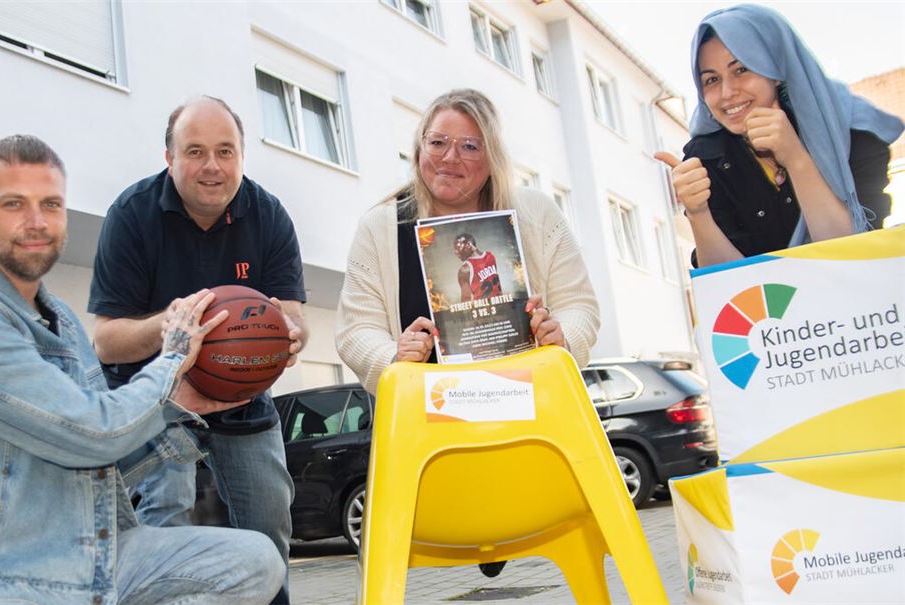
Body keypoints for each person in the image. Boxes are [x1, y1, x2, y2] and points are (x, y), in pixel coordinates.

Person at [0, 135, 285, 604]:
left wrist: (183, 405)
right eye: (14, 203)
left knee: (255, 560)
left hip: (88, 556)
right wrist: (174, 356)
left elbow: (103, 463)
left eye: (51, 204)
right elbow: (89, 433)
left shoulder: (65, 326)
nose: (37, 221)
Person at [336, 87, 599, 577]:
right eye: (437, 143)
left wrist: (561, 338)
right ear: (418, 151)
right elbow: (355, 329)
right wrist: (393, 356)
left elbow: (581, 306)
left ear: (492, 158)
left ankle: (497, 531)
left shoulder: (535, 212)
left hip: (529, 422)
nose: (450, 158)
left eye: (470, 146)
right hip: (430, 431)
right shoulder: (379, 228)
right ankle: (483, 531)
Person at [88, 96, 306, 604]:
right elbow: (105, 340)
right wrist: (178, 325)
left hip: (240, 393)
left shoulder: (268, 215)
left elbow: (292, 316)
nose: (212, 166)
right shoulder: (132, 214)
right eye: (196, 151)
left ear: (242, 156)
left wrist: (292, 336)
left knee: (270, 524)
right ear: (169, 157)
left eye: (225, 151)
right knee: (164, 522)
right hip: (157, 396)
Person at [655, 4, 903, 268]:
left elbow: (853, 256)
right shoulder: (704, 157)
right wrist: (698, 212)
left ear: (776, 68)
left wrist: (795, 157)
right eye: (711, 80)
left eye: (741, 69)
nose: (727, 92)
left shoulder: (853, 132)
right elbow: (728, 284)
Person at [454, 232, 502, 302]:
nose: (456, 252)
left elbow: (466, 300)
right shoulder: (490, 256)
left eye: (457, 247)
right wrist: (474, 249)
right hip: (502, 304)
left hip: (485, 309)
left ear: (468, 244)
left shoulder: (465, 269)